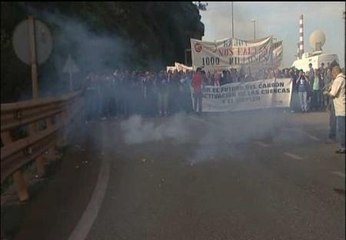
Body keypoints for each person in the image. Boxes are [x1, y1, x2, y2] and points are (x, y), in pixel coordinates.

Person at [323, 63, 345, 154]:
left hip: (341, 108)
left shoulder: (338, 80)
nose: (332, 74)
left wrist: (326, 93)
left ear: (335, 72)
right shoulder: (343, 79)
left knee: (341, 129)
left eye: (332, 73)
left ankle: (343, 147)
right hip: (342, 106)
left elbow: (333, 94)